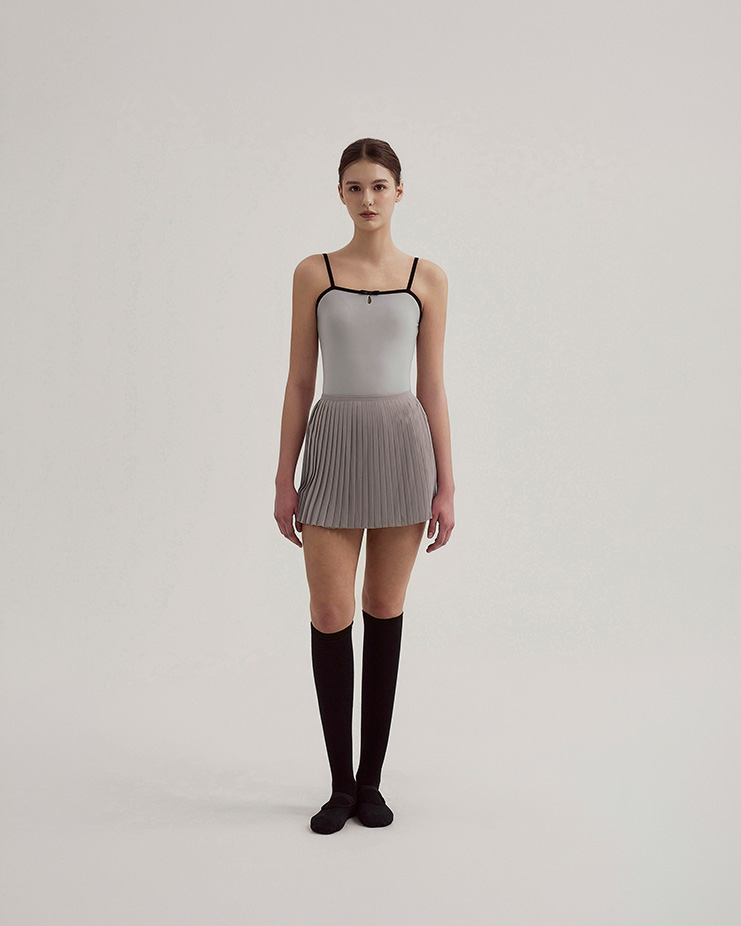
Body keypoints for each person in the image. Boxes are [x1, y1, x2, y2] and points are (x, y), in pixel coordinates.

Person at [274, 137, 455, 834]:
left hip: (402, 448)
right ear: (341, 194)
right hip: (333, 445)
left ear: (398, 192)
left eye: (379, 185)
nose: (368, 198)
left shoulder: (426, 278)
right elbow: (299, 381)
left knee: (383, 605)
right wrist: (284, 478)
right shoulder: (313, 273)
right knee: (329, 611)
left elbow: (432, 385)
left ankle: (372, 781)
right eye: (355, 186)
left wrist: (446, 484)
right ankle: (339, 785)